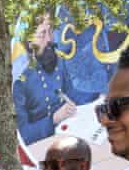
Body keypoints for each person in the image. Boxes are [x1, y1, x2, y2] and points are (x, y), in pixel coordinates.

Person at [13, 13, 98, 144]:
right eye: (42, 34)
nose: (49, 39)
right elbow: (22, 135)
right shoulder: (19, 81)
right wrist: (54, 119)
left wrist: (100, 96)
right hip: (42, 144)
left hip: (67, 131)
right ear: (29, 43)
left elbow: (71, 93)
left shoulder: (57, 60)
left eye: (51, 31)